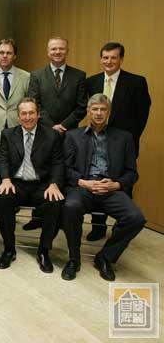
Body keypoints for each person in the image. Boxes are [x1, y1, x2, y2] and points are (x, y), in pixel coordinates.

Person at [61, 94, 146, 281]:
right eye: (95, 109)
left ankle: (105, 258)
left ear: (108, 112)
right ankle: (74, 259)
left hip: (111, 189)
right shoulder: (73, 136)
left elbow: (132, 173)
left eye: (103, 109)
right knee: (70, 207)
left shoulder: (124, 137)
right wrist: (83, 182)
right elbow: (64, 168)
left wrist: (116, 184)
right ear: (88, 112)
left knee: (136, 218)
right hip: (83, 187)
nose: (99, 113)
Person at [84, 42, 151, 241]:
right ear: (100, 59)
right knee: (98, 179)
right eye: (105, 57)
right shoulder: (91, 82)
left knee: (123, 185)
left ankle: (122, 228)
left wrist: (129, 140)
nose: (109, 61)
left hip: (123, 144)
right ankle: (98, 227)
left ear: (121, 59)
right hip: (97, 141)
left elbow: (142, 114)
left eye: (114, 57)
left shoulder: (136, 82)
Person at [0, 98, 64, 273]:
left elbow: (58, 163)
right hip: (16, 183)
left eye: (31, 113)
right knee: (3, 198)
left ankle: (44, 251)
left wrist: (54, 184)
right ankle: (9, 249)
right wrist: (5, 179)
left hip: (42, 185)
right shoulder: (8, 134)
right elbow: (2, 159)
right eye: (23, 113)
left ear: (38, 114)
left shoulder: (52, 135)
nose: (27, 117)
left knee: (55, 201)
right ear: (18, 117)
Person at [25, 37, 86, 231]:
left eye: (61, 48)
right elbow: (34, 103)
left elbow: (81, 107)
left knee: (66, 171)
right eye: (53, 49)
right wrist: (52, 126)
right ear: (48, 51)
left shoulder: (79, 76)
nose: (57, 52)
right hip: (43, 131)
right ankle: (38, 216)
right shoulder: (37, 75)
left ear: (67, 51)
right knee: (41, 169)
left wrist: (63, 125)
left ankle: (60, 218)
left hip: (70, 133)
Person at [0, 38, 30, 138]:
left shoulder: (26, 77)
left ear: (15, 56)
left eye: (9, 53)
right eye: (1, 53)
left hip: (17, 126)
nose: (5, 56)